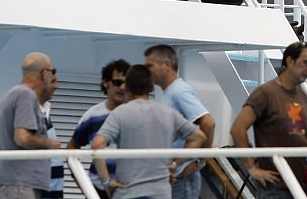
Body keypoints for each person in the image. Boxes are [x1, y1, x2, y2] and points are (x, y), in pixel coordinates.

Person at [91, 64, 206, 199]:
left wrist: (106, 182)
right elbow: (198, 137)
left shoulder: (120, 113)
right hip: (160, 194)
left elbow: (97, 144)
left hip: (128, 193)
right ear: (151, 88)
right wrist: (176, 164)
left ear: (126, 87)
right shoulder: (168, 114)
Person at [230, 42, 307, 199]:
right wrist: (251, 167)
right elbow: (238, 129)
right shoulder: (265, 93)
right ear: (290, 61)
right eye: (306, 63)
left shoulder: (303, 97)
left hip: (302, 186)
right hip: (275, 189)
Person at [145, 44, 216, 199]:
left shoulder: (179, 91)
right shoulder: (169, 93)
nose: (147, 70)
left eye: (150, 65)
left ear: (167, 65)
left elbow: (208, 123)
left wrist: (199, 161)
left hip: (181, 178)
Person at [0, 52, 61, 199]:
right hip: (20, 185)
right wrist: (50, 143)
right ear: (44, 74)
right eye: (52, 72)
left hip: (18, 183)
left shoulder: (14, 94)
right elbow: (22, 137)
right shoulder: (26, 95)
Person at [67, 59, 130, 198]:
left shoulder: (136, 114)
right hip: (98, 190)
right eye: (117, 82)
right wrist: (83, 183)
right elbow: (72, 147)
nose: (122, 87)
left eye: (126, 83)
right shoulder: (92, 116)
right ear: (105, 83)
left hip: (129, 189)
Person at [42, 76, 63, 199]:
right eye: (53, 81)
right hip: (41, 190)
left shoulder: (45, 110)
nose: (57, 86)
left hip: (54, 189)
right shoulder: (30, 109)